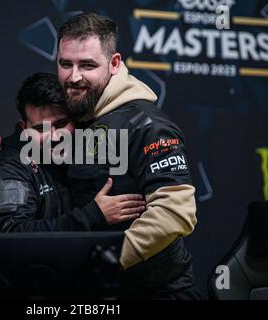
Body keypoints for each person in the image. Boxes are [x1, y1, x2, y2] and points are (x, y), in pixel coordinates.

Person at [56, 13, 198, 299]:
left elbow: (175, 213)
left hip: (157, 292)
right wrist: (10, 158)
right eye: (65, 64)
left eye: (87, 65)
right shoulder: (78, 114)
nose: (74, 76)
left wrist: (105, 260)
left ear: (114, 63)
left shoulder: (148, 125)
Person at [0, 72, 146, 232]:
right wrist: (92, 215)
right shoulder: (8, 168)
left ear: (75, 119)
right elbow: (14, 235)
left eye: (61, 124)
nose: (54, 136)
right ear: (24, 128)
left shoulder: (89, 146)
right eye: (40, 128)